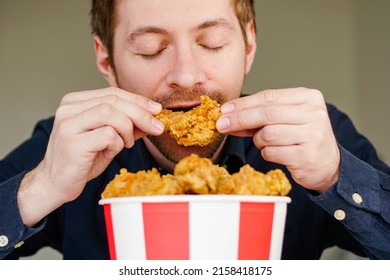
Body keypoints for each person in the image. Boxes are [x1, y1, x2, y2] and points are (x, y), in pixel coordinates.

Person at [0, 0, 389, 260]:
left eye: (212, 43)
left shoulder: (316, 135)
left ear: (249, 44)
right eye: (151, 48)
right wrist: (41, 188)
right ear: (106, 60)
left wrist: (338, 176)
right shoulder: (67, 147)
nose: (185, 75)